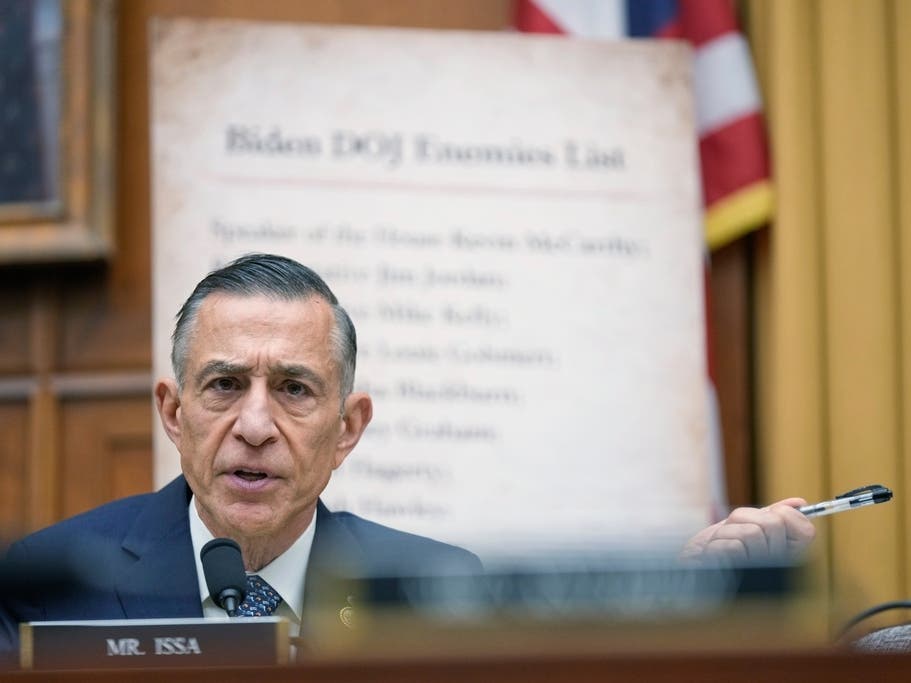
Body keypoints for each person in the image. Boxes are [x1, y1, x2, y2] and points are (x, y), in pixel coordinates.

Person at [0, 253, 815, 660]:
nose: (253, 423)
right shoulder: (50, 588)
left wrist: (694, 598)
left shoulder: (434, 594)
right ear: (173, 412)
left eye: (292, 388)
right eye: (222, 385)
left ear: (347, 428)